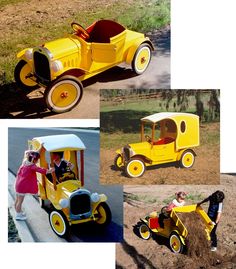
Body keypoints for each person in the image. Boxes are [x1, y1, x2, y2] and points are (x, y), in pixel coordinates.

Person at [14, 150, 54, 221]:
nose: (37, 161)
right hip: (22, 186)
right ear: (34, 160)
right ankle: (18, 215)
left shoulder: (25, 161)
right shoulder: (32, 166)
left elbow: (27, 152)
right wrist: (50, 170)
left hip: (18, 183)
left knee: (17, 199)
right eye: (37, 160)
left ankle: (18, 211)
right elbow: (42, 170)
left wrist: (39, 148)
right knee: (20, 201)